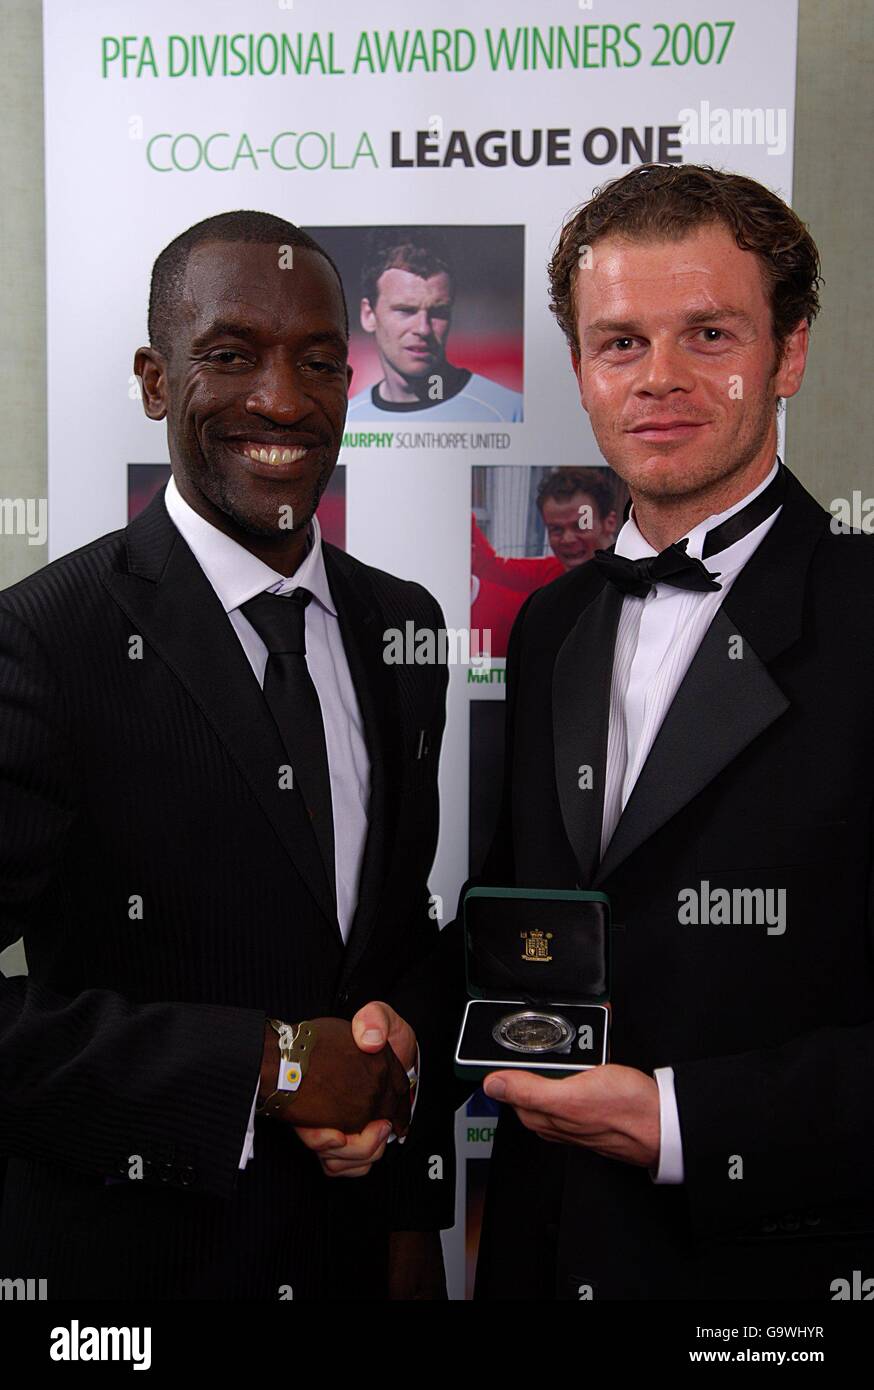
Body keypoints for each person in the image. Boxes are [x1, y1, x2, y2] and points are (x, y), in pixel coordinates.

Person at [404, 162, 874, 1299]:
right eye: (620, 343)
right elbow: (522, 912)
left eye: (709, 333)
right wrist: (396, 1038)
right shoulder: (554, 620)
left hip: (771, 1271)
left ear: (789, 354)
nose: (660, 378)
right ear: (578, 369)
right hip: (538, 1248)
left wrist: (678, 1117)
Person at [0, 210, 453, 1300]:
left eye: (316, 362)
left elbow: (396, 939)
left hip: (356, 1255)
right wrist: (271, 1066)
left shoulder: (406, 626)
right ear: (158, 381)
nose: (282, 401)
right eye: (230, 355)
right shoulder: (43, 642)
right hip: (135, 1273)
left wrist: (402, 1071)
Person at [346, 228, 523, 422]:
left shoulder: (508, 411)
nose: (423, 329)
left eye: (438, 312)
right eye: (405, 310)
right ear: (368, 315)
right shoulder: (348, 421)